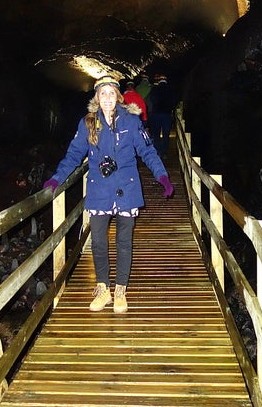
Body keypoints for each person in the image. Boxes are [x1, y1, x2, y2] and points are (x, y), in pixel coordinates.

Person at [43, 75, 174, 314]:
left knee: (124, 242)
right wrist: (56, 178)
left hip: (127, 186)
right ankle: (103, 288)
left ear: (118, 96)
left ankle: (121, 289)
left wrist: (162, 176)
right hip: (100, 189)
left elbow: (147, 151)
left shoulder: (131, 122)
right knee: (99, 241)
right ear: (96, 97)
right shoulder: (88, 123)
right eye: (102, 93)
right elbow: (74, 155)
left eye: (111, 93)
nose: (106, 98)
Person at [146, 74, 177, 157]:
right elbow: (174, 102)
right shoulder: (171, 89)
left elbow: (151, 100)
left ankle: (158, 151)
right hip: (167, 114)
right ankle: (165, 152)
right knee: (166, 134)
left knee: (156, 134)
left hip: (156, 113)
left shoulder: (154, 89)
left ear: (159, 80)